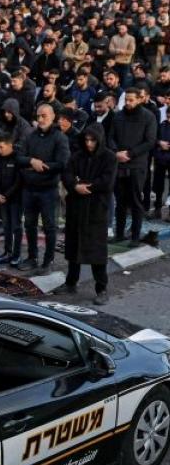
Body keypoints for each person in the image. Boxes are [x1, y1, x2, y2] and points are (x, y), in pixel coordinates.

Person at [55, 124, 117, 304]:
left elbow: (106, 182)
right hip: (77, 208)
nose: (89, 144)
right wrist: (75, 186)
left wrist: (84, 185)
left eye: (92, 140)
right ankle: (70, 283)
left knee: (97, 253)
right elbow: (67, 175)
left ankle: (102, 288)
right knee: (73, 249)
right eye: (87, 140)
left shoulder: (109, 158)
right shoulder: (77, 156)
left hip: (96, 210)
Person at [16, 104, 70, 275]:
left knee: (49, 226)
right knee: (29, 225)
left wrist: (43, 166)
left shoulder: (59, 138)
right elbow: (19, 157)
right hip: (29, 188)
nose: (40, 119)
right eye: (38, 116)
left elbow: (62, 163)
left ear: (53, 116)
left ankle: (48, 260)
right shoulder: (30, 136)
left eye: (44, 116)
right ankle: (32, 257)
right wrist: (32, 161)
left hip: (48, 189)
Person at [109, 87, 157, 247]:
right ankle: (120, 234)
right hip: (119, 164)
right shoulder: (118, 116)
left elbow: (150, 141)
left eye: (131, 100)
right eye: (126, 100)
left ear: (139, 99)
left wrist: (129, 154)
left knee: (136, 201)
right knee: (120, 201)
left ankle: (135, 236)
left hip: (137, 165)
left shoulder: (148, 117)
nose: (128, 103)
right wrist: (116, 152)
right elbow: (110, 137)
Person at [0, 134, 22, 266]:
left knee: (16, 226)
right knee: (6, 226)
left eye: (1, 147)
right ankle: (7, 252)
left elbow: (19, 180)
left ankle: (17, 254)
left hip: (15, 198)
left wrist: (6, 195)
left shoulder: (18, 158)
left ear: (10, 146)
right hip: (1, 196)